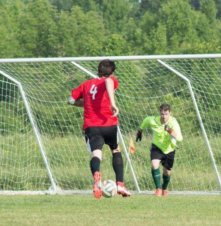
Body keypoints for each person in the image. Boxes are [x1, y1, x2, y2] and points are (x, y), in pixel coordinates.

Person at [68, 59, 131, 199]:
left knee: (96, 155)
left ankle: (96, 178)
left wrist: (87, 104)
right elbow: (108, 82)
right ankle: (120, 183)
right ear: (112, 72)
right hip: (108, 123)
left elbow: (70, 100)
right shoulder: (110, 80)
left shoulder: (85, 84)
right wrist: (113, 104)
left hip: (91, 126)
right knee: (115, 149)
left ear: (98, 70)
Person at [136, 103, 183, 197]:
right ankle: (158, 189)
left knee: (167, 172)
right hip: (156, 147)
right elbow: (146, 121)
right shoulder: (153, 120)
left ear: (170, 113)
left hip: (169, 149)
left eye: (166, 114)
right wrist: (140, 131)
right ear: (159, 113)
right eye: (162, 114)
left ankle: (164, 188)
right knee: (154, 164)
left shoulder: (173, 122)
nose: (164, 116)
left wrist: (170, 130)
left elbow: (180, 138)